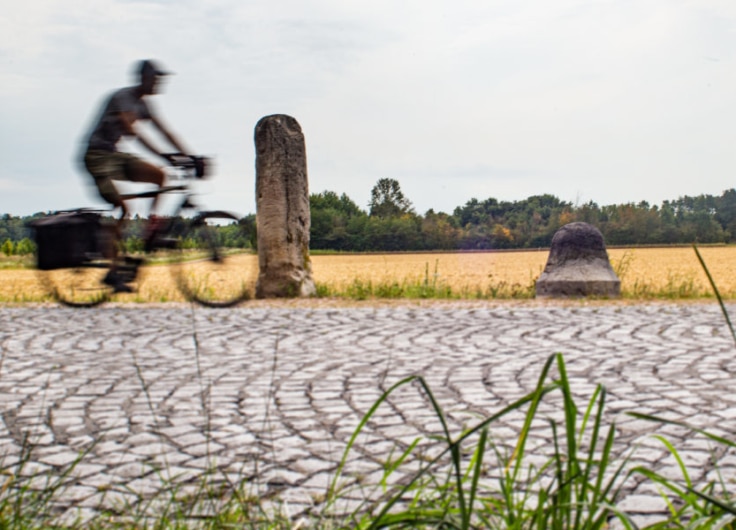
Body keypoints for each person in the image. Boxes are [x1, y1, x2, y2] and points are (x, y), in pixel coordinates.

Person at [81, 59, 193, 291]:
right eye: (156, 79)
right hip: (97, 157)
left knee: (159, 176)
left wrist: (191, 156)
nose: (159, 83)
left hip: (114, 154)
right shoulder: (124, 98)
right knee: (124, 208)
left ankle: (150, 228)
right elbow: (134, 132)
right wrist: (165, 156)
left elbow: (164, 130)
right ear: (144, 78)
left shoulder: (145, 105)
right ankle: (112, 271)